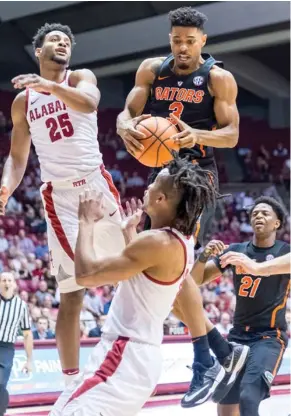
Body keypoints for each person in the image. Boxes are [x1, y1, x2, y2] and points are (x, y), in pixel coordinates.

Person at [116, 6, 241, 405]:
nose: (183, 47)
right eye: (177, 41)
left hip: (197, 173)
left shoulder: (218, 78)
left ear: (203, 41)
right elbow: (130, 111)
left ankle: (206, 358)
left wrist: (196, 135)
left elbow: (233, 134)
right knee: (167, 264)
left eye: (190, 41)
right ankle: (221, 351)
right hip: (165, 171)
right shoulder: (152, 70)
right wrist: (122, 125)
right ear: (170, 40)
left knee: (173, 257)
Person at [50, 156, 225, 416]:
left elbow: (85, 275)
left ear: (161, 200)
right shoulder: (180, 242)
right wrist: (128, 234)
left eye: (153, 185)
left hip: (123, 354)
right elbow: (142, 282)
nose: (147, 187)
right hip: (137, 354)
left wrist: (85, 221)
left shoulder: (156, 242)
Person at [0, 23, 125, 386]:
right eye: (54, 40)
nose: (62, 44)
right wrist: (6, 186)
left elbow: (90, 102)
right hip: (59, 196)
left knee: (133, 267)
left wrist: (50, 86)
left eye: (67, 41)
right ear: (37, 51)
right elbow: (18, 158)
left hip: (95, 187)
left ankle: (197, 345)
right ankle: (70, 385)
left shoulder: (80, 77)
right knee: (71, 292)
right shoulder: (23, 102)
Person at [190, 196, 290, 416]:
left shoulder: (284, 252)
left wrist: (255, 267)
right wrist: (203, 256)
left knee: (248, 396)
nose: (258, 216)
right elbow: (196, 280)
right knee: (225, 408)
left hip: (269, 337)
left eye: (265, 213)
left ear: (277, 223)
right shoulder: (236, 250)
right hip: (237, 338)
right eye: (255, 213)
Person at [0, 272, 33, 416]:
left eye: (9, 280)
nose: (6, 283)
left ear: (14, 284)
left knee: (1, 384)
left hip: (6, 348)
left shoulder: (21, 306)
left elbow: (27, 334)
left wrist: (29, 360)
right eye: (3, 280)